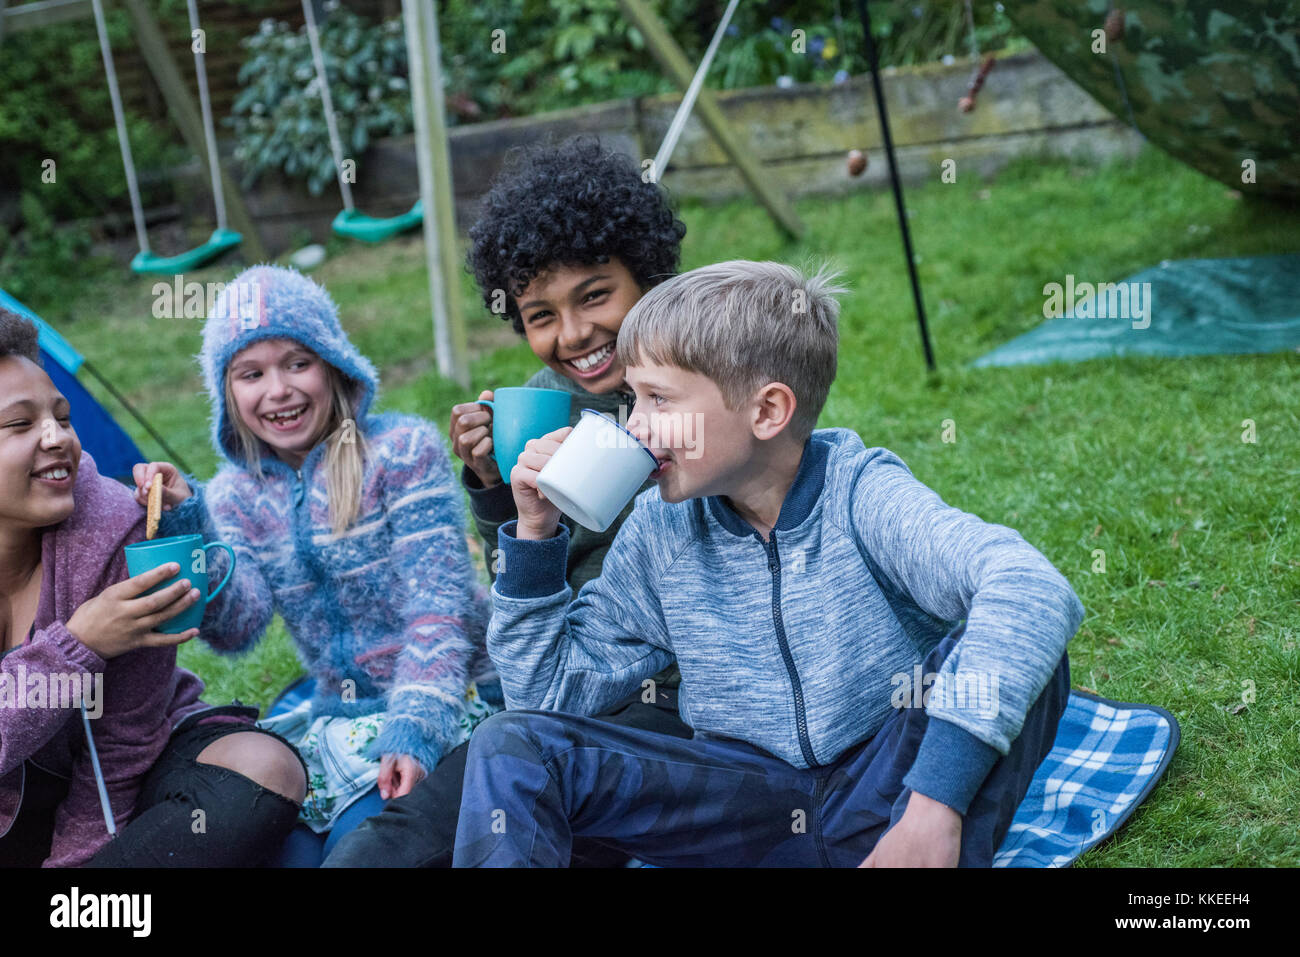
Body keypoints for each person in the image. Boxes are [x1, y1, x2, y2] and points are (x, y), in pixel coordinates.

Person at [453, 261, 1081, 867]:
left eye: (657, 399)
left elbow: (1031, 589)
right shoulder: (661, 530)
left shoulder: (861, 495)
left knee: (1019, 645)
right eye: (633, 399)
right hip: (746, 810)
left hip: (886, 795)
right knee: (512, 747)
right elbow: (549, 693)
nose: (634, 426)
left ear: (767, 411)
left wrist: (932, 808)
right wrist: (535, 536)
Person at [324, 135, 694, 867]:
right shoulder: (554, 405)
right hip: (558, 684)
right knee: (379, 853)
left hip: (676, 699)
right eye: (539, 314)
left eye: (596, 294)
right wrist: (496, 489)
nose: (575, 333)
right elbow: (527, 591)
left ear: (648, 277)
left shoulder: (712, 391)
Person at [148, 265, 499, 867]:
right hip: (338, 716)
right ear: (227, 392)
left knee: (358, 854)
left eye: (297, 363)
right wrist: (190, 527)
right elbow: (237, 627)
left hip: (447, 699)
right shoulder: (236, 495)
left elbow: (440, 611)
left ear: (335, 365)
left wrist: (415, 729)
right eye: (251, 373)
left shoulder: (400, 452)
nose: (278, 390)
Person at [0, 306, 305, 868]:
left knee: (264, 769)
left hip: (128, 783)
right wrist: (76, 648)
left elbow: (124, 741)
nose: (57, 438)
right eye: (20, 425)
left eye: (62, 418)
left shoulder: (113, 525)